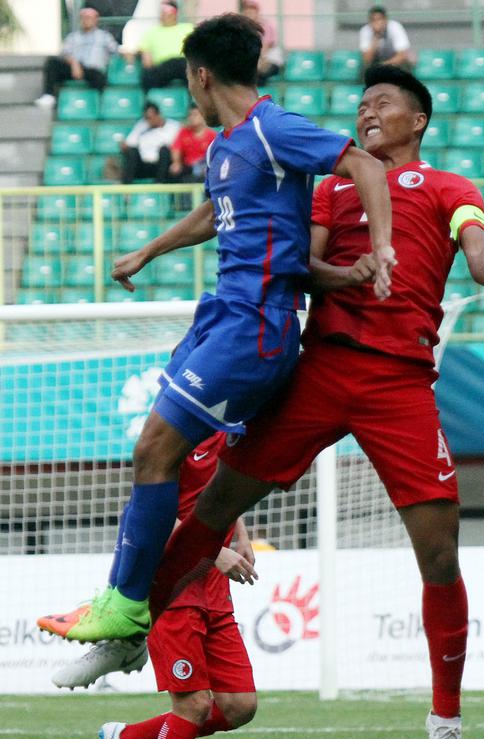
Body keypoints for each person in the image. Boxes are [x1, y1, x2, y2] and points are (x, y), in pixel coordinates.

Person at [95, 65, 484, 739]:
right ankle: (130, 624)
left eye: (383, 102)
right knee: (212, 511)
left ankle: (445, 718)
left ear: (417, 120)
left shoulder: (450, 188)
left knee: (440, 552)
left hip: (400, 384)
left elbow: (475, 242)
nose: (368, 111)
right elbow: (304, 265)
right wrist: (348, 273)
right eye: (361, 104)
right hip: (317, 372)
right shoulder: (330, 188)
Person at [38, 14, 394, 644]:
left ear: (202, 77)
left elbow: (364, 166)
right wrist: (149, 251)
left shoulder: (272, 126)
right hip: (221, 316)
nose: (188, 98)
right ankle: (128, 602)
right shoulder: (226, 145)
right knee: (165, 457)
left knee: (157, 449)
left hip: (256, 326)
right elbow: (215, 211)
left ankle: (128, 606)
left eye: (188, 85)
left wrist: (383, 248)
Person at [43, 433, 257, 739]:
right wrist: (214, 551)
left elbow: (225, 487)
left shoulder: (228, 426)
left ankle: (126, 737)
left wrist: (241, 533)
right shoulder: (176, 432)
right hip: (173, 588)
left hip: (215, 591)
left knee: (239, 706)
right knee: (193, 704)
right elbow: (151, 515)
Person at [35, 6, 118, 108]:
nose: (87, 20)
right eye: (84, 17)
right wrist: (74, 64)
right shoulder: (73, 37)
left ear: (96, 19)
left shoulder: (105, 37)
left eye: (89, 17)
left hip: (93, 70)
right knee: (52, 62)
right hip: (74, 68)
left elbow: (116, 51)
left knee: (99, 77)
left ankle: (100, 106)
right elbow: (64, 54)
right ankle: (49, 95)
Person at [120, 100, 181, 183]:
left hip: (162, 165)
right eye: (146, 118)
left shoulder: (174, 127)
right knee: (132, 152)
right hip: (144, 165)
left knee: (164, 150)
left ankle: (160, 186)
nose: (147, 121)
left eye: (149, 118)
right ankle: (126, 189)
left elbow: (178, 147)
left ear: (158, 114)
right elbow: (129, 144)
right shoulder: (141, 125)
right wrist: (124, 145)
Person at [139, 1, 194, 91]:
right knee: (147, 75)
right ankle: (150, 102)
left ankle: (193, 103)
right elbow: (147, 61)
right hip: (163, 66)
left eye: (166, 12)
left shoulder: (188, 28)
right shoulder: (151, 33)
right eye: (162, 12)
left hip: (184, 64)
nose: (163, 15)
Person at [168, 104, 217, 182]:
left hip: (204, 168)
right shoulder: (183, 132)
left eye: (195, 115)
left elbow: (215, 156)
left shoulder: (212, 135)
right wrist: (176, 162)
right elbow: (176, 149)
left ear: (203, 116)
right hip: (188, 168)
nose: (192, 118)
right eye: (190, 115)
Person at [239, 0, 283, 85]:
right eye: (247, 10)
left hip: (269, 60)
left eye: (252, 11)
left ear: (257, 12)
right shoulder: (243, 28)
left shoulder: (266, 26)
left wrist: (258, 61)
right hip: (254, 61)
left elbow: (265, 47)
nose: (249, 13)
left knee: (258, 74)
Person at [359, 6, 412, 71]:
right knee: (364, 69)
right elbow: (366, 59)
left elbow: (402, 55)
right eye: (373, 20)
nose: (376, 23)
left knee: (405, 65)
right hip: (376, 62)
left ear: (385, 20)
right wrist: (376, 37)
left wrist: (384, 65)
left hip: (394, 61)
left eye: (379, 19)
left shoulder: (395, 27)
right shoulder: (365, 31)